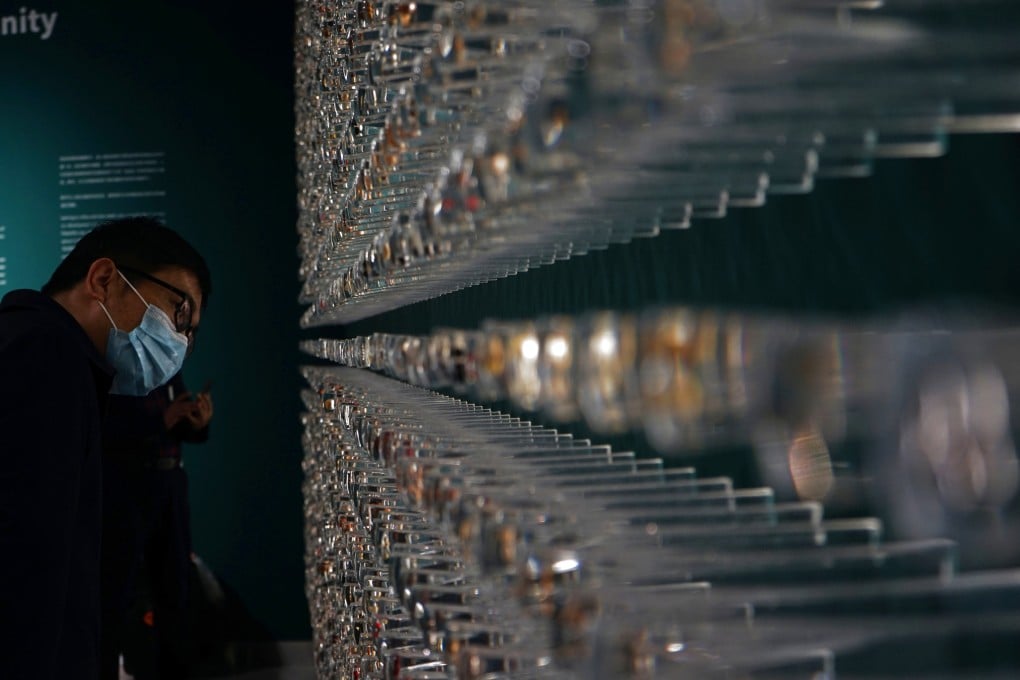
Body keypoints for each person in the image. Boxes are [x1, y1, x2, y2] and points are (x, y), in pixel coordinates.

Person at [0, 216, 210, 680]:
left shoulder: (63, 358)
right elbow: (26, 560)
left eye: (190, 333)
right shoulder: (44, 352)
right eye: (178, 313)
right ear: (103, 279)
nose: (180, 341)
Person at [100, 373, 213, 680]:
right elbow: (107, 431)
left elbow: (179, 425)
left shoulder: (168, 370)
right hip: (128, 489)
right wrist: (160, 421)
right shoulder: (117, 371)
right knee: (116, 593)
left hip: (170, 486)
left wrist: (197, 422)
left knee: (175, 589)